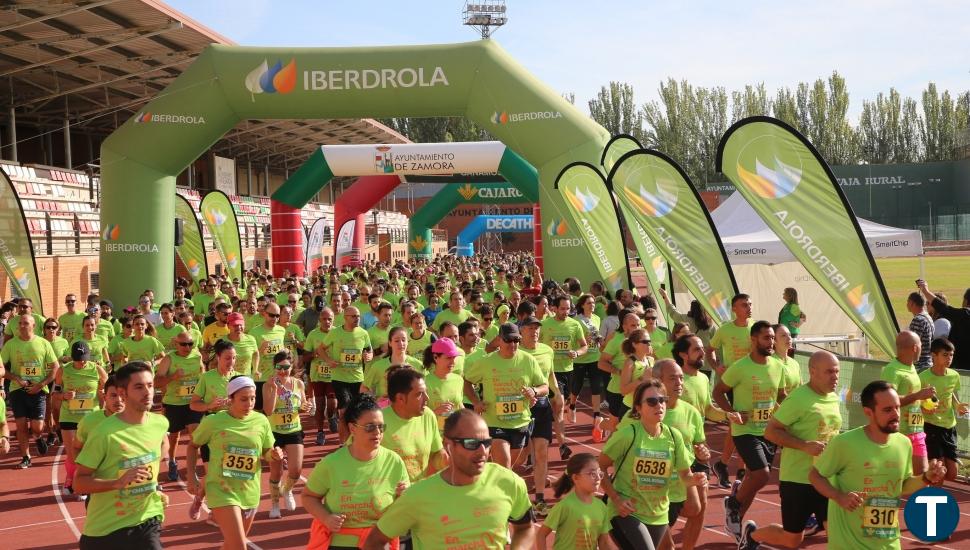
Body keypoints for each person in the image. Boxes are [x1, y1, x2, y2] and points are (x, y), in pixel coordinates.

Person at [364, 409, 535, 549]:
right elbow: (374, 542)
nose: (483, 451)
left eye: (487, 443)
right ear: (449, 445)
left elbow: (525, 527)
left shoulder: (508, 482)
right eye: (471, 443)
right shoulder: (418, 496)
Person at [809, 380, 948, 549]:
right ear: (869, 412)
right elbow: (815, 475)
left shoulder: (903, 444)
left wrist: (926, 478)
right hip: (849, 545)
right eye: (887, 410)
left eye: (897, 407)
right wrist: (839, 497)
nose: (896, 414)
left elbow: (901, 485)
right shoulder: (845, 443)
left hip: (888, 543)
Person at [740, 351, 842, 550]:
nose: (835, 376)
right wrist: (805, 446)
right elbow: (770, 432)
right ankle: (752, 535)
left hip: (826, 478)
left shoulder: (833, 398)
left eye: (837, 372)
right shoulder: (798, 399)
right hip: (798, 479)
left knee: (837, 534)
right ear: (813, 372)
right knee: (792, 539)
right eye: (829, 371)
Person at [598, 379, 707, 550]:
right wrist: (616, 499)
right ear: (638, 408)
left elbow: (685, 476)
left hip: (658, 514)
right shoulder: (628, 435)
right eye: (652, 401)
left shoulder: (673, 436)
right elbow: (600, 467)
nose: (659, 405)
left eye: (663, 400)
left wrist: (696, 479)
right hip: (627, 512)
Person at [74, 362, 170, 550]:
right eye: (139, 387)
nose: (147, 392)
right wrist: (117, 483)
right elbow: (79, 483)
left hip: (146, 520)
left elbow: (155, 455)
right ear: (123, 393)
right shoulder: (104, 433)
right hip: (106, 529)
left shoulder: (160, 424)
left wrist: (153, 488)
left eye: (150, 385)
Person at [303, 393, 409, 549]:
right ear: (352, 428)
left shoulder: (394, 461)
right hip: (340, 543)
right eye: (370, 427)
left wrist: (405, 494)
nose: (377, 432)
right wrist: (326, 518)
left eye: (381, 427)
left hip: (378, 542)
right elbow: (308, 497)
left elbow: (403, 503)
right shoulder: (332, 463)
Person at [713, 320, 787, 542]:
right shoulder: (740, 367)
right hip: (744, 430)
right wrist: (730, 412)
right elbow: (718, 392)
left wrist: (792, 415)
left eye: (773, 337)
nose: (771, 341)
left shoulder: (777, 366)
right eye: (767, 337)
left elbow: (781, 396)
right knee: (762, 474)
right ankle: (733, 503)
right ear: (753, 340)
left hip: (768, 432)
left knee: (755, 479)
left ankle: (735, 522)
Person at [193, 375, 282, 549]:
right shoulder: (214, 421)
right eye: (243, 399)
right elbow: (192, 445)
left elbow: (266, 453)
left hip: (249, 491)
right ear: (231, 398)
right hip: (221, 489)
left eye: (253, 398)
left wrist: (275, 454)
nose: (249, 403)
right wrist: (190, 476)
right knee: (240, 546)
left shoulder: (261, 421)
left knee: (231, 545)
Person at [463, 323, 547, 469]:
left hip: (520, 422)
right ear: (499, 340)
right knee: (504, 465)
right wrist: (476, 402)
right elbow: (467, 381)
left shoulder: (528, 360)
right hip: (495, 423)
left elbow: (544, 387)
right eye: (508, 340)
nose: (513, 344)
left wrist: (534, 391)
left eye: (516, 340)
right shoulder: (486, 361)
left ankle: (488, 480)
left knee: (513, 465)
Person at [706, 293, 754, 490]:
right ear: (734, 309)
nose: (748, 307)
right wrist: (717, 366)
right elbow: (709, 350)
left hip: (753, 382)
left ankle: (725, 465)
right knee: (738, 424)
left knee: (747, 425)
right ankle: (733, 468)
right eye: (744, 305)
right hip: (733, 383)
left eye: (750, 304)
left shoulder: (755, 327)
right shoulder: (725, 330)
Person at [188, 339, 238, 519]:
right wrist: (210, 404)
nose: (231, 362)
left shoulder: (239, 379)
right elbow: (193, 404)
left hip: (232, 430)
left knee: (227, 474)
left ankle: (203, 501)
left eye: (233, 358)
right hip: (211, 429)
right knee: (213, 475)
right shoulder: (207, 378)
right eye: (227, 358)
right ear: (217, 357)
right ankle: (210, 509)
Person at [2, 313, 59, 467]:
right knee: (20, 425)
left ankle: (38, 437)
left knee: (38, 427)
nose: (21, 326)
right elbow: (2, 368)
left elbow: (55, 367)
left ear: (33, 326)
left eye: (25, 323)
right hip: (17, 389)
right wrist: (16, 379)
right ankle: (26, 457)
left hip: (38, 389)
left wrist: (40, 385)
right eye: (20, 323)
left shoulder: (43, 343)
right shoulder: (11, 344)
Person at [54, 341, 108, 496]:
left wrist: (103, 400)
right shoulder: (63, 371)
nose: (82, 361)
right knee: (72, 453)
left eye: (84, 358)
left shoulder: (97, 370)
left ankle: (83, 484)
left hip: (91, 418)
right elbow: (55, 395)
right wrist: (64, 395)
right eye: (78, 359)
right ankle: (71, 477)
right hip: (69, 416)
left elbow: (107, 390)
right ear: (72, 357)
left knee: (89, 453)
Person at [519, 315, 560, 516]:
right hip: (519, 408)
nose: (534, 332)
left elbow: (550, 376)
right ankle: (515, 498)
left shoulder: (547, 350)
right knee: (521, 455)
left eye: (536, 329)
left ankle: (540, 499)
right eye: (530, 329)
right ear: (521, 331)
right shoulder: (515, 352)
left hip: (542, 405)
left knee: (542, 451)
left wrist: (558, 395)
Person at [261, 351, 309, 519]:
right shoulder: (268, 385)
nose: (282, 371)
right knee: (276, 471)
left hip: (294, 430)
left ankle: (286, 490)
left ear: (291, 367)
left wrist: (307, 407)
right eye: (279, 367)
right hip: (275, 433)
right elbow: (268, 410)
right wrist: (274, 388)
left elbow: (302, 404)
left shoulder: (298, 384)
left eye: (286, 367)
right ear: (274, 367)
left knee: (296, 470)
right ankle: (275, 504)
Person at [880, 330, 934, 475]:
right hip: (899, 433)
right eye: (921, 345)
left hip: (916, 430)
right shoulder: (892, 370)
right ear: (915, 348)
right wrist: (918, 395)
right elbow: (888, 403)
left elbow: (912, 398)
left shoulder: (910, 366)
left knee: (923, 476)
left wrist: (924, 405)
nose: (923, 349)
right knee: (898, 479)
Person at [540, 295, 587, 459]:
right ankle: (562, 445)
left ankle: (550, 430)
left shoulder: (575, 325)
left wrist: (577, 353)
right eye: (562, 309)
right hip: (551, 372)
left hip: (568, 371)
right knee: (558, 406)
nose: (565, 312)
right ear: (554, 308)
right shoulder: (545, 325)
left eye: (568, 309)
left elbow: (584, 346)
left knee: (560, 406)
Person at [382, 366, 445, 486]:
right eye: (419, 394)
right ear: (400, 398)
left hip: (420, 494)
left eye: (426, 392)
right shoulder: (378, 422)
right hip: (390, 497)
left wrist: (449, 459)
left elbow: (436, 454)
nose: (427, 398)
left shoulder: (428, 415)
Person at [156, 330, 205, 482]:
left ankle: (192, 469)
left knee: (195, 434)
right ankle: (172, 461)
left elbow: (203, 376)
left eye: (190, 344)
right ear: (176, 344)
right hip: (174, 403)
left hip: (192, 403)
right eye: (183, 344)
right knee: (174, 436)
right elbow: (157, 381)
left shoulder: (197, 357)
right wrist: (173, 377)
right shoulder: (169, 359)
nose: (187, 347)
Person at [537, 453, 612, 550]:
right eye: (592, 474)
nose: (598, 477)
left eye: (599, 473)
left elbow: (604, 543)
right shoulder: (565, 506)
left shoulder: (602, 507)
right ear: (576, 478)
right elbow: (541, 535)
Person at [919, 338, 968, 482]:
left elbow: (950, 392)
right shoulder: (923, 377)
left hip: (949, 426)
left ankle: (924, 479)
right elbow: (916, 399)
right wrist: (923, 408)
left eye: (951, 355)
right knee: (938, 472)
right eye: (945, 355)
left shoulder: (954, 375)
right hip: (931, 426)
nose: (949, 358)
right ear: (934, 356)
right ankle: (932, 497)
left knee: (952, 474)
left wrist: (957, 405)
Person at [321, 306, 373, 442]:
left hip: (357, 377)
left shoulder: (363, 333)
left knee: (357, 412)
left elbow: (369, 350)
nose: (357, 319)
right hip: (339, 377)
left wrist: (369, 356)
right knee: (344, 411)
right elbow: (320, 349)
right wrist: (328, 361)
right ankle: (343, 443)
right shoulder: (335, 333)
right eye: (353, 316)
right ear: (345, 317)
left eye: (358, 316)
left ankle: (356, 440)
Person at [598, 309, 642, 435]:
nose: (637, 328)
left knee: (629, 426)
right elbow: (601, 363)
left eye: (638, 324)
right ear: (624, 327)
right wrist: (618, 371)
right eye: (633, 325)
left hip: (634, 391)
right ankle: (601, 424)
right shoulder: (617, 341)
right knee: (616, 425)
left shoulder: (643, 342)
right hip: (617, 390)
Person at [917, 279, 970, 370]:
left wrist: (925, 291)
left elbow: (943, 308)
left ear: (966, 301)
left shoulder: (965, 314)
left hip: (961, 368)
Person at [362, 326, 422, 402]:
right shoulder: (378, 366)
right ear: (390, 343)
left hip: (409, 411)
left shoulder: (418, 365)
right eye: (397, 341)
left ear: (408, 342)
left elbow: (425, 390)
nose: (401, 343)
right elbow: (364, 388)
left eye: (403, 340)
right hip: (385, 411)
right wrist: (375, 399)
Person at [573, 294, 607, 427]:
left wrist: (600, 341)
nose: (592, 305)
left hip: (594, 356)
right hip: (581, 358)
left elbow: (599, 337)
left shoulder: (597, 319)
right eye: (588, 303)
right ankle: (572, 405)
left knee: (596, 387)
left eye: (593, 303)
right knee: (577, 386)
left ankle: (596, 415)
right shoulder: (576, 321)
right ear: (582, 305)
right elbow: (573, 340)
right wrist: (583, 342)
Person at [305, 307, 337, 445]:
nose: (327, 321)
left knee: (332, 403)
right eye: (324, 319)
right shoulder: (313, 335)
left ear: (333, 319)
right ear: (319, 320)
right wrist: (314, 354)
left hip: (334, 374)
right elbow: (304, 357)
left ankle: (331, 416)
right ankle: (320, 431)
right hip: (317, 374)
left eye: (329, 319)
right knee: (319, 404)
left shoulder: (338, 333)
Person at [248, 302, 286, 411]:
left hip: (277, 378)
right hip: (260, 378)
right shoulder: (254, 332)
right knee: (259, 411)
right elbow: (249, 357)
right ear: (264, 314)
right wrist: (260, 349)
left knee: (275, 410)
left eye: (277, 316)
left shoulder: (281, 330)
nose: (275, 318)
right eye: (272, 315)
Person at [422, 338, 464, 432]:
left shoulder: (459, 379)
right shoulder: (423, 382)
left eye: (454, 357)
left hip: (454, 435)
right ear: (436, 357)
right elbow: (418, 418)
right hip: (432, 436)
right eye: (448, 358)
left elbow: (459, 405)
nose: (453, 362)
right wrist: (437, 411)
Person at [906, 291, 934, 369]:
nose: (907, 304)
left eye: (908, 302)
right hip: (928, 363)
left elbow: (913, 345)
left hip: (920, 366)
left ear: (912, 303)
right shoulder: (927, 316)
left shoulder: (918, 320)